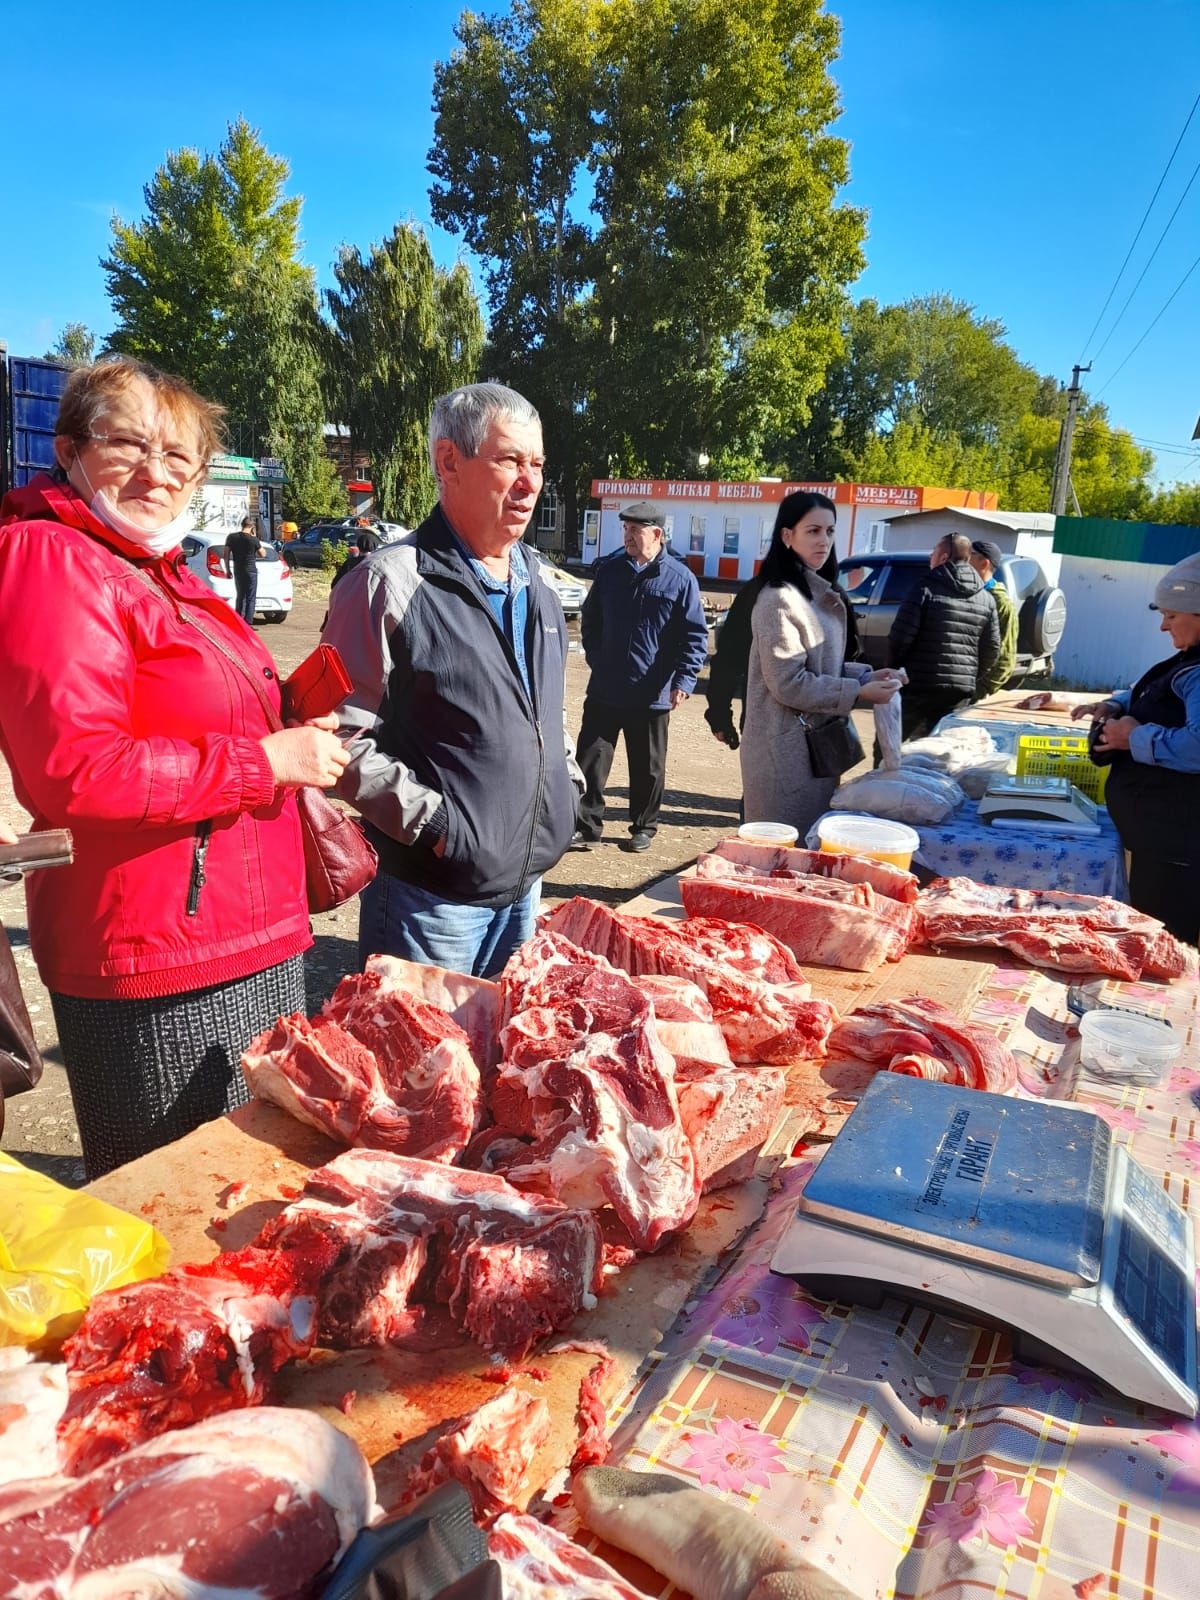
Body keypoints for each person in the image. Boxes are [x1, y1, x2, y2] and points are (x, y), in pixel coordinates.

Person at [0, 357, 348, 1178]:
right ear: (70, 449)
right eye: (128, 444)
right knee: (177, 1212)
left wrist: (288, 717)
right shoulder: (54, 560)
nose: (156, 472)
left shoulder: (166, 571)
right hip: (156, 954)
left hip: (246, 932)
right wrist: (265, 759)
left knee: (252, 1200)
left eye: (179, 455)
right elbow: (74, 769)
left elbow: (194, 708)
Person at [322, 382, 580, 978]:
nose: (530, 482)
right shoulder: (386, 584)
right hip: (430, 902)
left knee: (499, 1064)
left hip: (525, 887)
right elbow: (336, 738)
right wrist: (437, 827)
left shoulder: (537, 587)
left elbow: (547, 714)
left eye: (538, 464)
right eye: (510, 460)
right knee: (421, 1066)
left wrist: (562, 786)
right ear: (448, 461)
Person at [739, 491, 901, 839]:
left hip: (815, 749)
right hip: (782, 753)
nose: (824, 541)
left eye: (830, 531)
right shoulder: (779, 599)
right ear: (787, 536)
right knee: (782, 853)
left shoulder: (815, 593)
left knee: (809, 849)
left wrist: (868, 675)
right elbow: (789, 682)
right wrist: (859, 692)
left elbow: (825, 666)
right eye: (813, 531)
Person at [1071, 552, 1200, 944]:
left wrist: (1133, 738)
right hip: (1163, 838)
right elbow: (1161, 698)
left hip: (1177, 843)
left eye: (1171, 616)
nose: (1163, 626)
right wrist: (1119, 705)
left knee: (1163, 942)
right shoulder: (1188, 661)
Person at [572, 502, 708, 853]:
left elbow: (695, 636)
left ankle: (643, 826)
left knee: (647, 766)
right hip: (606, 687)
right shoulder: (611, 571)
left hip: (652, 692)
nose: (628, 536)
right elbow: (591, 620)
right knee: (591, 758)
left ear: (657, 534)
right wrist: (597, 659)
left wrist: (684, 681)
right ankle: (587, 826)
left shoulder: (680, 579)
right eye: (625, 529)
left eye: (636, 530)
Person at [888, 532, 1001, 740]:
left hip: (918, 686)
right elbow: (992, 650)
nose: (930, 556)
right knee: (944, 752)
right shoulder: (986, 598)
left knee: (890, 746)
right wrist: (969, 676)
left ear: (943, 557)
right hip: (958, 692)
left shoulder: (924, 589)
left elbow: (900, 637)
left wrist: (902, 670)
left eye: (933, 552)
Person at [968, 538, 1018, 698]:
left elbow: (1005, 656)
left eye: (971, 554)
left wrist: (981, 690)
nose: (964, 559)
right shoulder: (969, 593)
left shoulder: (1000, 602)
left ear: (984, 564)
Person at [224, 515, 266, 623]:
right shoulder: (253, 539)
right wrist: (255, 537)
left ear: (242, 525)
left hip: (238, 569)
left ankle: (238, 620)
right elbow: (263, 554)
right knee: (250, 597)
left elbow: (226, 554)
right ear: (252, 527)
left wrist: (228, 569)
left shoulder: (231, 537)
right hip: (251, 570)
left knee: (240, 595)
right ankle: (248, 621)